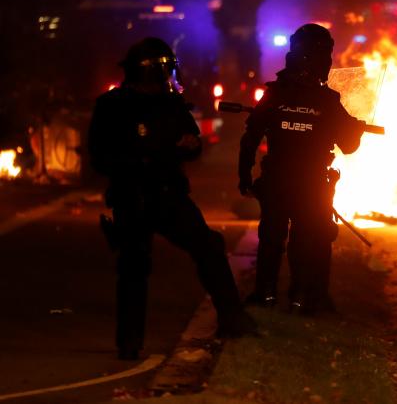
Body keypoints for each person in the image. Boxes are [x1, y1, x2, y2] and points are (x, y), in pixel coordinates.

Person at [89, 38, 256, 361]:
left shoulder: (171, 104)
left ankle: (232, 318)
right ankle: (130, 341)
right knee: (134, 267)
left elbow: (193, 142)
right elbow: (99, 156)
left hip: (168, 195)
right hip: (131, 196)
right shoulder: (112, 106)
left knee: (208, 246)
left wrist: (189, 144)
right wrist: (138, 160)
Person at [238, 23, 366, 315]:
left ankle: (265, 294)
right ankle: (302, 296)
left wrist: (244, 176)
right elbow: (348, 146)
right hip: (312, 184)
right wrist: (355, 129)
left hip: (277, 181)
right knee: (307, 239)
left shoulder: (274, 94)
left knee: (271, 238)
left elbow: (250, 138)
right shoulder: (328, 101)